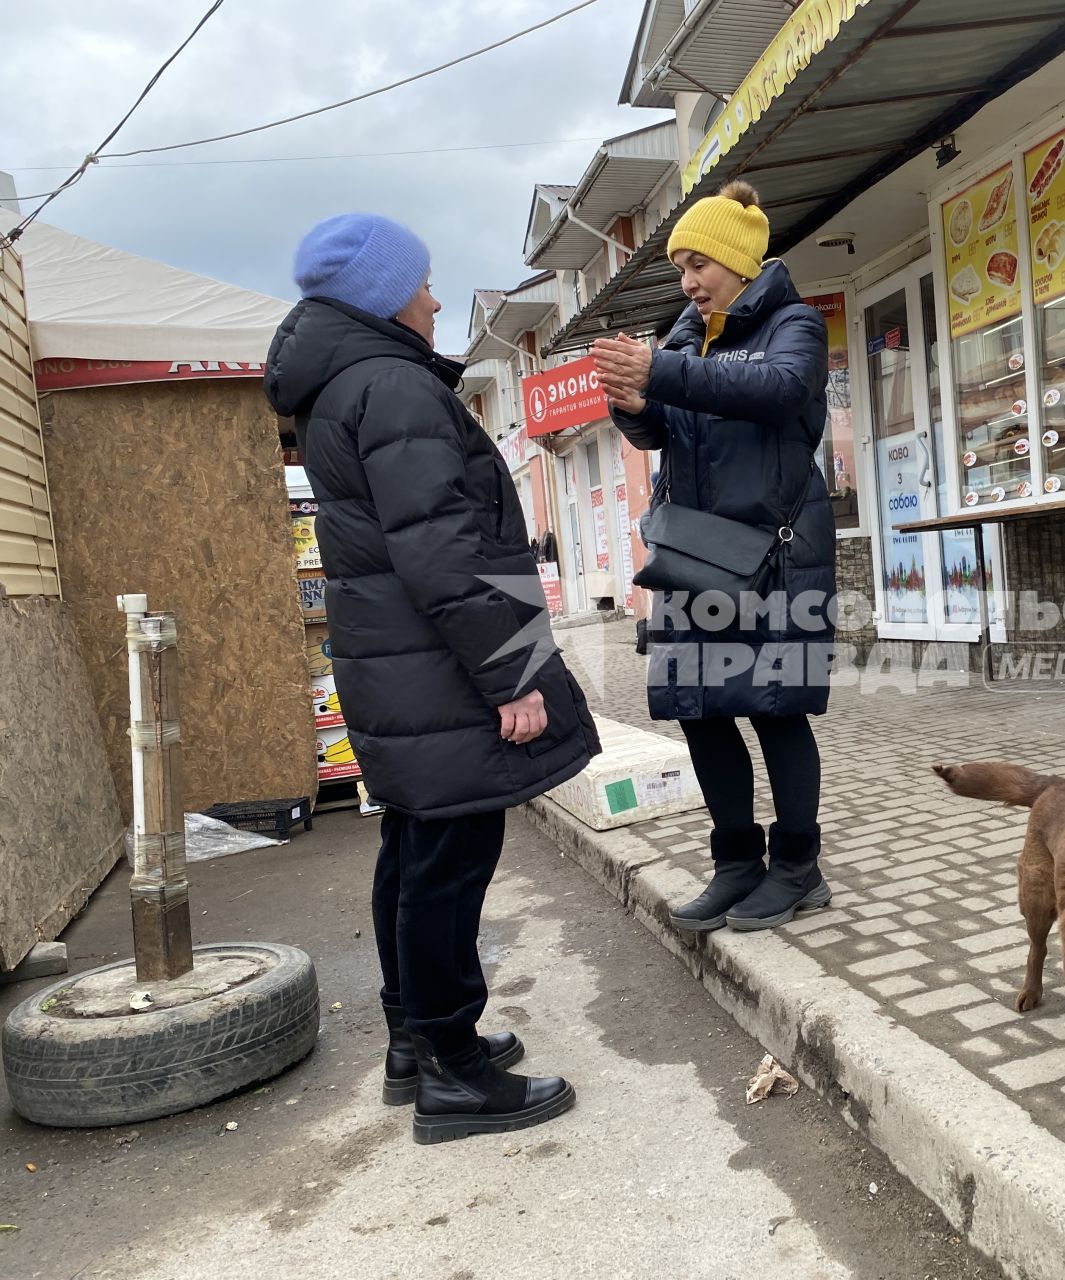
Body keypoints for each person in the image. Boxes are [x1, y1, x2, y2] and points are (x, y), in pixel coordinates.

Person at [265, 213, 600, 1145]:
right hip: (441, 672)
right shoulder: (391, 385)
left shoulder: (342, 387)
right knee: (447, 869)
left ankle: (417, 1044)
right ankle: (453, 1073)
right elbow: (445, 554)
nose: (435, 298)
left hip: (401, 668)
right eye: (420, 283)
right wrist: (510, 677)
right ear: (380, 296)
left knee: (415, 855)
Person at [593, 180, 834, 934]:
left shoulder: (794, 325)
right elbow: (669, 429)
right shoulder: (683, 337)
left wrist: (659, 373)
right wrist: (634, 406)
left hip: (774, 557)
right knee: (699, 709)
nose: (689, 281)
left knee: (776, 711)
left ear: (737, 260)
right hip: (693, 554)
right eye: (680, 269)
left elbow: (775, 389)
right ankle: (736, 864)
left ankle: (798, 868)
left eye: (699, 264)